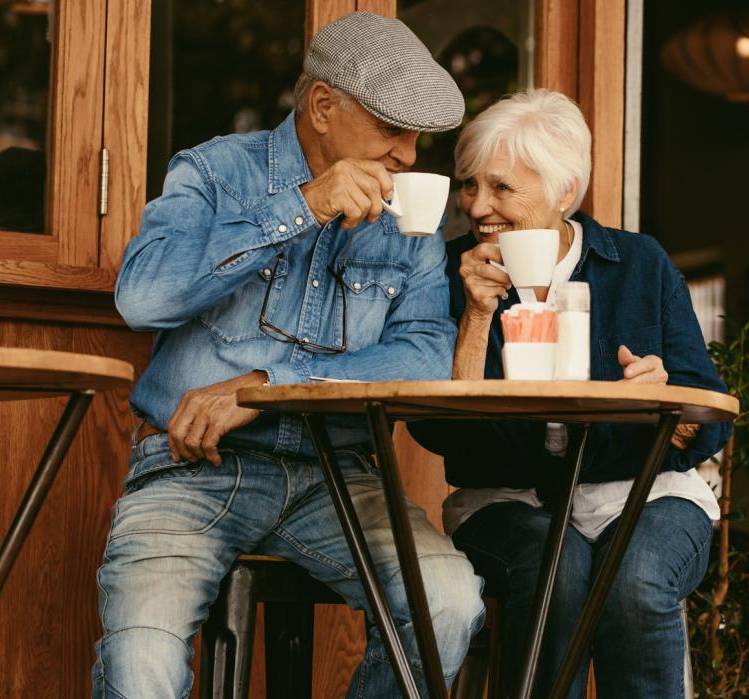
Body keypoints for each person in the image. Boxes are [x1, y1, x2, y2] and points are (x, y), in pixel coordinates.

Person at [93, 13, 484, 698]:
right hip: (191, 473)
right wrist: (301, 205)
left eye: (417, 136)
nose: (407, 154)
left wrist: (267, 383)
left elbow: (424, 353)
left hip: (341, 478)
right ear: (323, 106)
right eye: (392, 128)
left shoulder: (410, 217)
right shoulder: (215, 171)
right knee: (142, 668)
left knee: (450, 605)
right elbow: (141, 298)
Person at [408, 89, 733, 698]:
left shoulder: (639, 264)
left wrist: (663, 399)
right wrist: (476, 316)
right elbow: (438, 429)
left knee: (633, 581)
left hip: (645, 494)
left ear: (564, 191)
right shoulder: (450, 271)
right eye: (469, 186)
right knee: (555, 572)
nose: (479, 206)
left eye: (501, 188)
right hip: (506, 500)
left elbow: (708, 410)